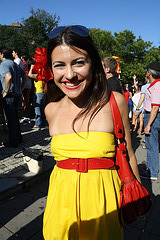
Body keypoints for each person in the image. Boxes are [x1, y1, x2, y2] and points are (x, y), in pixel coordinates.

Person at [43, 25, 141, 240]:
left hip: (104, 203)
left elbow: (130, 153)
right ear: (51, 69)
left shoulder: (115, 102)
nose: (69, 75)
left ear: (93, 63)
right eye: (60, 65)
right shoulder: (50, 109)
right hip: (60, 204)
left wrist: (136, 196)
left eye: (78, 62)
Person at [0, 46, 28, 147]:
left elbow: (8, 76)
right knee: (15, 118)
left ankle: (13, 141)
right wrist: (21, 89)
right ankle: (18, 138)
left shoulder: (4, 64)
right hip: (16, 94)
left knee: (11, 119)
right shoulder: (14, 64)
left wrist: (6, 90)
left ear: (2, 54)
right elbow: (25, 76)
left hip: (10, 95)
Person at [140, 61, 160, 181]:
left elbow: (155, 107)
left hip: (153, 117)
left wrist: (148, 125)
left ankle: (152, 172)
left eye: (147, 71)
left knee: (152, 146)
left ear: (150, 73)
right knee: (152, 145)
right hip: (153, 116)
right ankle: (152, 169)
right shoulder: (155, 85)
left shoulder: (156, 86)